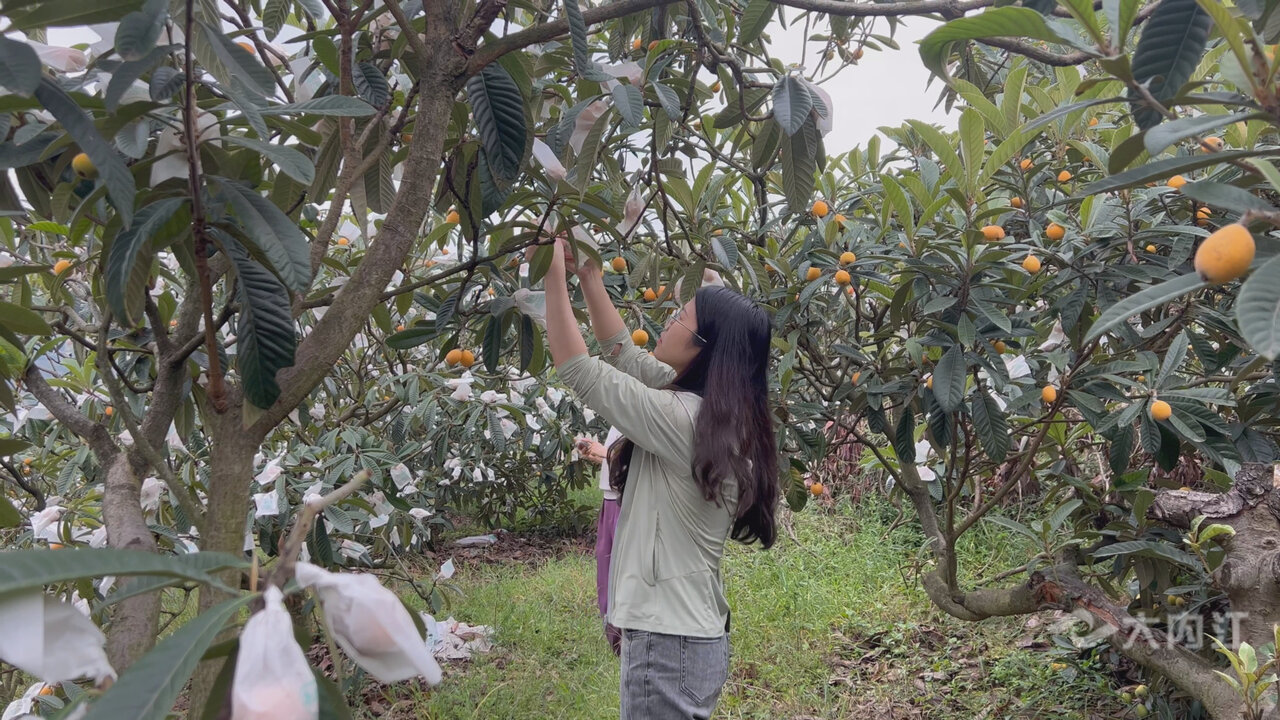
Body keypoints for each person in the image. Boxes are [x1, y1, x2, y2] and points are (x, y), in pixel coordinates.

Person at [534, 234, 778, 720]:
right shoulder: (717, 416)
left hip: (668, 643)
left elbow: (579, 369)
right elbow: (623, 354)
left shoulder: (684, 420)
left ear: (704, 348)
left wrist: (550, 273)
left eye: (681, 317)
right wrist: (589, 275)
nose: (667, 323)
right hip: (692, 635)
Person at [576, 426, 624, 654]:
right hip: (610, 498)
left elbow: (642, 458)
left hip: (624, 500)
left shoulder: (641, 412)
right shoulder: (619, 418)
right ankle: (614, 633)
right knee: (606, 568)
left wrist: (605, 452)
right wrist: (600, 455)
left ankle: (626, 636)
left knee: (620, 569)